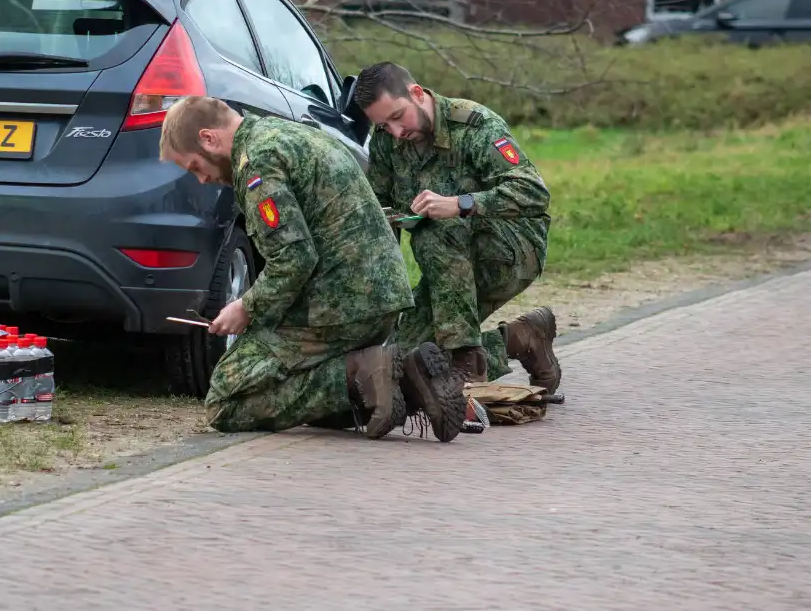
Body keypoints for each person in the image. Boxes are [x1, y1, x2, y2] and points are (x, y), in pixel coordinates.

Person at [158, 95, 457, 440]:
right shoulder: (287, 134)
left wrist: (247, 307)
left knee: (226, 399)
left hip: (339, 306)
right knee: (280, 382)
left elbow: (293, 259)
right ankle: (403, 383)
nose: (201, 179)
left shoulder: (257, 162)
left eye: (195, 167)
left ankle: (365, 374)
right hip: (378, 299)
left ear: (209, 139)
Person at [351, 61, 562, 437]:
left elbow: (533, 192)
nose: (397, 132)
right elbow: (378, 208)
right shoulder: (386, 143)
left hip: (512, 248)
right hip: (447, 271)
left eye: (399, 117)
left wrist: (461, 203)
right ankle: (521, 338)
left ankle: (469, 371)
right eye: (384, 125)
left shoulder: (476, 126)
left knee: (438, 229)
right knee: (406, 361)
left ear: (417, 94)